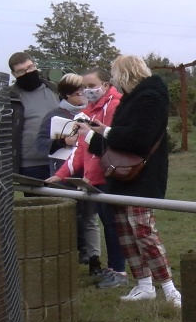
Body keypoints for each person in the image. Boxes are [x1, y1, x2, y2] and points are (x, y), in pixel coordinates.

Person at [86, 55, 181, 308]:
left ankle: (170, 289)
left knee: (143, 233)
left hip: (142, 176)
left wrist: (103, 132)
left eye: (115, 74)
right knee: (126, 233)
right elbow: (119, 141)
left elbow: (139, 139)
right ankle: (143, 285)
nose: (114, 79)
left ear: (125, 73)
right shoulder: (132, 98)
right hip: (123, 176)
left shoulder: (151, 97)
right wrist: (89, 137)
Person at [48, 67, 126, 284]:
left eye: (92, 86)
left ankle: (118, 269)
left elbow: (109, 141)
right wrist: (61, 175)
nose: (88, 91)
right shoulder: (90, 110)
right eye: (85, 87)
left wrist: (91, 133)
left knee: (113, 224)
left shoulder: (115, 106)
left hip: (111, 173)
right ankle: (114, 268)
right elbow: (80, 150)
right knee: (106, 222)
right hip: (95, 178)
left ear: (106, 84)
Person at [36, 73, 100, 271]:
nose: (82, 96)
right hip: (63, 173)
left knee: (90, 217)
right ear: (66, 95)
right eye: (77, 92)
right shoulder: (54, 115)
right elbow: (40, 143)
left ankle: (94, 259)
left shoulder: (92, 114)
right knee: (69, 216)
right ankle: (66, 258)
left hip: (88, 172)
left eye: (83, 91)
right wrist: (63, 141)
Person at [9, 52, 59, 180]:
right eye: (21, 71)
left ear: (35, 66)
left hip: (58, 158)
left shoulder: (54, 90)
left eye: (30, 68)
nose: (27, 73)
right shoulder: (11, 97)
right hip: (30, 165)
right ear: (14, 74)